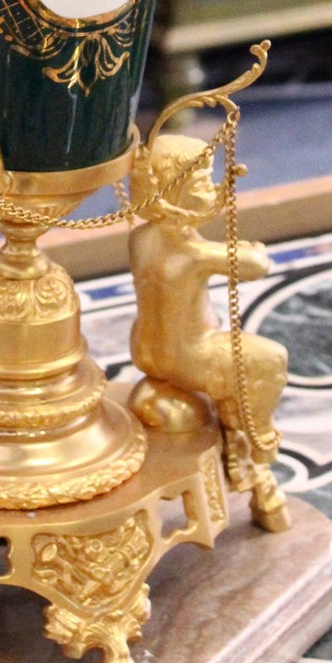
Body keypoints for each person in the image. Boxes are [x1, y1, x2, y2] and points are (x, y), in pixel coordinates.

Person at [128, 132, 289, 532]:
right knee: (270, 359)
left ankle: (239, 435)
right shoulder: (192, 252)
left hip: (146, 350)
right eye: (201, 181)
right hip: (188, 357)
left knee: (240, 358)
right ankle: (256, 447)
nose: (212, 188)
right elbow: (255, 264)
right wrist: (251, 248)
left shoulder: (142, 238)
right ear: (173, 192)